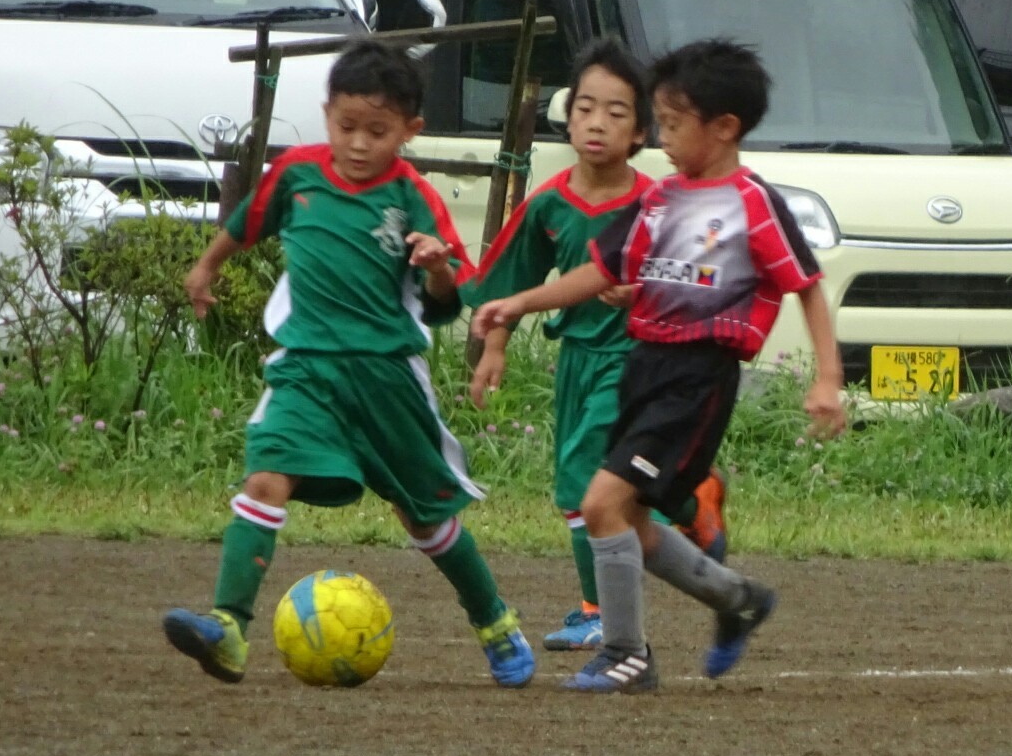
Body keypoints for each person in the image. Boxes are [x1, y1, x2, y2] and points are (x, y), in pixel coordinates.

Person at [473, 38, 846, 693]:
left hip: (697, 377)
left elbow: (806, 284)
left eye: (672, 124)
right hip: (645, 368)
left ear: (724, 127)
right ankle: (737, 600)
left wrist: (827, 380)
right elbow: (604, 270)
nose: (663, 138)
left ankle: (627, 653)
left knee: (602, 504)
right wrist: (517, 305)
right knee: (633, 521)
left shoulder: (752, 203)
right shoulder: (661, 200)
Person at [161, 40, 535, 689]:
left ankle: (495, 622)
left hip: (387, 375)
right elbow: (248, 223)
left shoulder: (413, 197)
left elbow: (447, 302)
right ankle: (228, 627)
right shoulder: (298, 174)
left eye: (378, 131)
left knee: (425, 517)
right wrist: (205, 265)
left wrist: (438, 266)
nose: (359, 144)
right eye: (347, 127)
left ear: (410, 131)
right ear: (328, 113)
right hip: (305, 366)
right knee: (264, 481)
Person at [463, 38, 729, 654]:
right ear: (568, 116)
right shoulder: (550, 203)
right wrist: (495, 345)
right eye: (585, 107)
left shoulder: (658, 204)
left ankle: (596, 610)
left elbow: (701, 282)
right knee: (601, 487)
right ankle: (694, 500)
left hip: (640, 363)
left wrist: (644, 291)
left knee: (586, 485)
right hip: (577, 363)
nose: (597, 123)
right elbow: (510, 282)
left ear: (641, 133)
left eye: (616, 112)